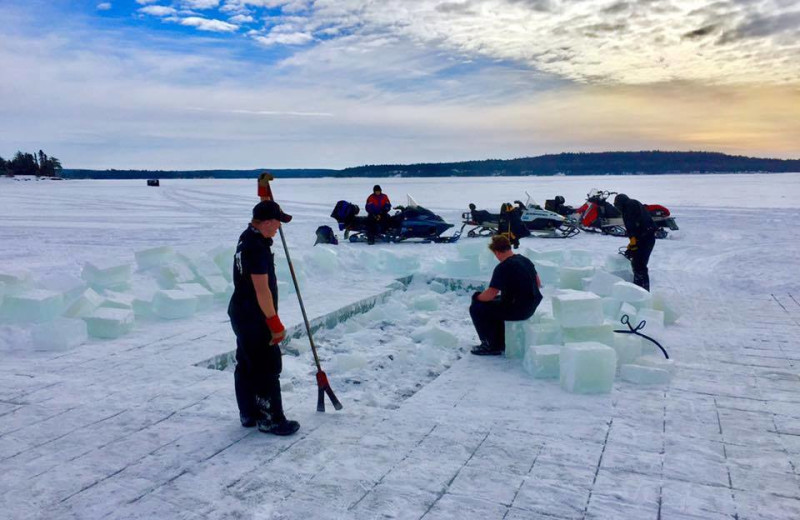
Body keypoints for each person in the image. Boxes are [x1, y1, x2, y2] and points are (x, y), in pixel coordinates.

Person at [228, 200, 300, 436]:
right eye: (278, 222)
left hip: (241, 312)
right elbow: (262, 290)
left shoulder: (247, 236)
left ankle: (249, 413)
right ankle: (271, 419)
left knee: (247, 363)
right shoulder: (257, 247)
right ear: (267, 222)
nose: (279, 228)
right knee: (268, 366)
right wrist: (274, 322)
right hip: (255, 316)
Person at [470, 235, 543, 355]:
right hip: (531, 306)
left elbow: (490, 294)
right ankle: (500, 341)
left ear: (497, 252)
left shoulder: (503, 267)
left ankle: (491, 345)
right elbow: (538, 283)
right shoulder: (524, 260)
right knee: (495, 305)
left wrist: (476, 297)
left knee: (477, 308)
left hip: (518, 310)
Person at [613, 193, 656, 291]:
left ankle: (642, 291)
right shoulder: (633, 204)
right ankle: (639, 288)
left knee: (639, 265)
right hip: (645, 237)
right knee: (638, 264)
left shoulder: (629, 206)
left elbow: (632, 224)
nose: (618, 209)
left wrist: (633, 240)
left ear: (621, 203)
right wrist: (632, 243)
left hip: (645, 238)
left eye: (618, 206)